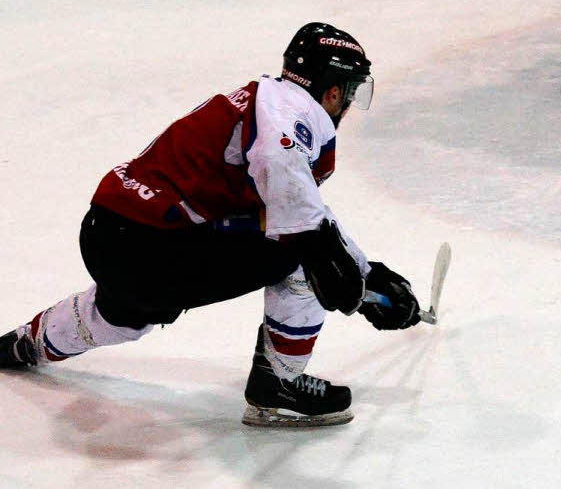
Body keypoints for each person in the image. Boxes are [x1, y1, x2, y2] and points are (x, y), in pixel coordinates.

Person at [0, 22, 422, 427]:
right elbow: (302, 226)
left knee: (122, 313)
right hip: (155, 250)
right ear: (333, 90)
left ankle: (21, 344)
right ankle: (279, 387)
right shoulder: (297, 115)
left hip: (108, 233)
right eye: (349, 93)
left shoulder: (269, 99)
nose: (347, 104)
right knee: (302, 259)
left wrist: (367, 277)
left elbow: (298, 212)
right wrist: (351, 280)